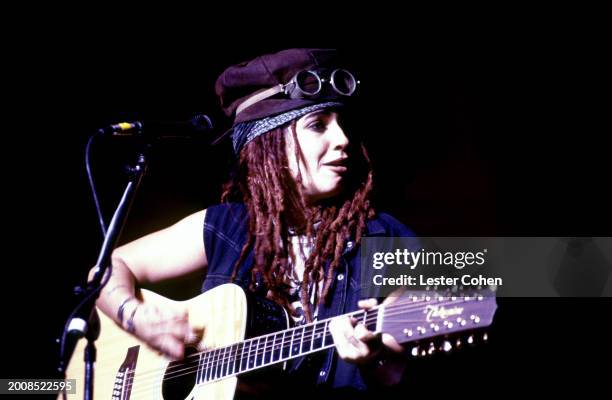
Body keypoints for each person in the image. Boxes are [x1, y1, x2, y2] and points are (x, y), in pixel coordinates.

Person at [94, 48, 415, 396]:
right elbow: (108, 266)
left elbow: (404, 366)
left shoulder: (385, 236)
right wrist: (137, 318)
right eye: (318, 126)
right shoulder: (228, 225)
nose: (343, 140)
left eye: (342, 125)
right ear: (270, 144)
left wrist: (375, 357)